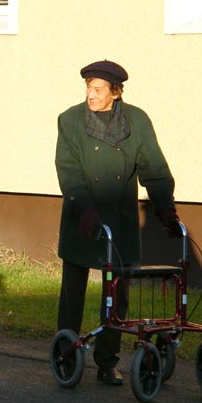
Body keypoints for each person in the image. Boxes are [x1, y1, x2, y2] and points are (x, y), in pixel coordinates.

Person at [54, 60, 181, 386]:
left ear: (115, 91)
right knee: (73, 293)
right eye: (88, 88)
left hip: (119, 221)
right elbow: (68, 171)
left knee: (117, 295)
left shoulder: (136, 121)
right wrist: (83, 208)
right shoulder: (70, 120)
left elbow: (153, 167)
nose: (90, 95)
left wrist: (166, 210)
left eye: (97, 89)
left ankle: (107, 361)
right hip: (84, 217)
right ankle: (65, 352)